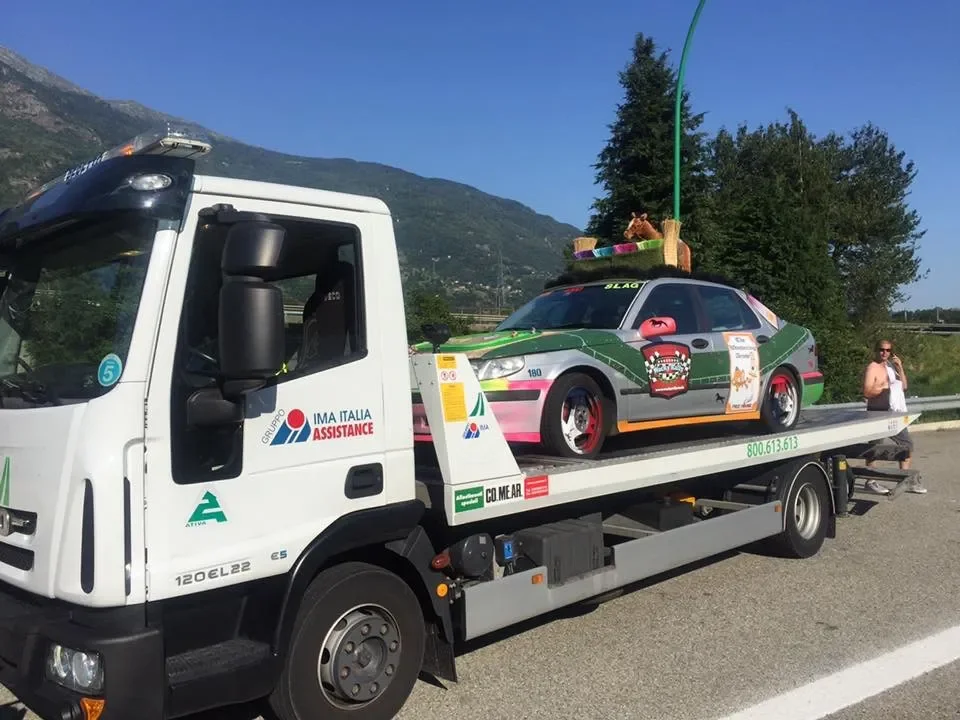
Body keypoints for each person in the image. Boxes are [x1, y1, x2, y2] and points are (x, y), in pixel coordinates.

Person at [861, 339, 926, 494]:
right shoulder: (873, 367)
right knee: (875, 447)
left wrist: (900, 367)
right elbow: (867, 392)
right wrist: (884, 388)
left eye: (888, 350)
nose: (885, 353)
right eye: (882, 350)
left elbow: (903, 386)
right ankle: (870, 481)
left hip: (894, 412)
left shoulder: (890, 366)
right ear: (876, 350)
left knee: (906, 444)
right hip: (878, 412)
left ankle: (905, 480)